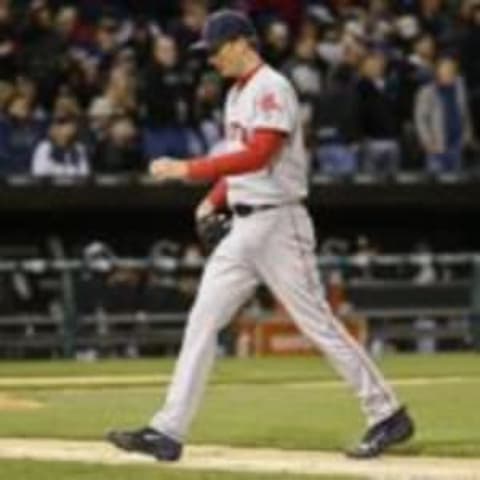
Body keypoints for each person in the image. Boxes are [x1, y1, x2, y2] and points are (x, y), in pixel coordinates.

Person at [107, 9, 414, 462]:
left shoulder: (273, 87)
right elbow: (238, 161)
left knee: (318, 324)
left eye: (214, 49)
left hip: (280, 223)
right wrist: (213, 197)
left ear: (240, 43)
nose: (210, 59)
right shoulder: (237, 94)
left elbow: (260, 154)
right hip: (245, 225)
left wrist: (189, 170)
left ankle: (387, 412)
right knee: (202, 320)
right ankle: (168, 430)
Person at [415, 56, 474, 174]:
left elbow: (465, 113)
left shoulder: (459, 88)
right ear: (438, 71)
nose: (448, 72)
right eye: (445, 69)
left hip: (457, 146)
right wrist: (427, 141)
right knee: (437, 187)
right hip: (437, 146)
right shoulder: (427, 91)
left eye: (451, 70)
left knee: (456, 185)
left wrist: (468, 134)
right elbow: (421, 119)